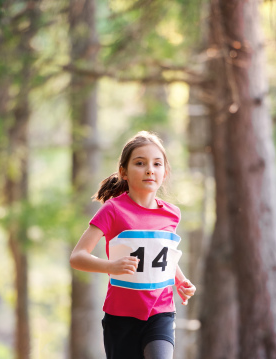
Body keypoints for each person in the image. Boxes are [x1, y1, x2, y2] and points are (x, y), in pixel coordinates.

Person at [70, 131, 196, 359]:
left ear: (164, 173)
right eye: (140, 163)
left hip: (161, 312)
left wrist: (180, 281)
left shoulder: (171, 214)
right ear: (123, 172)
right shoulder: (113, 210)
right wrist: (112, 266)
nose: (150, 169)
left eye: (157, 164)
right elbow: (77, 256)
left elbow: (161, 254)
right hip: (121, 317)